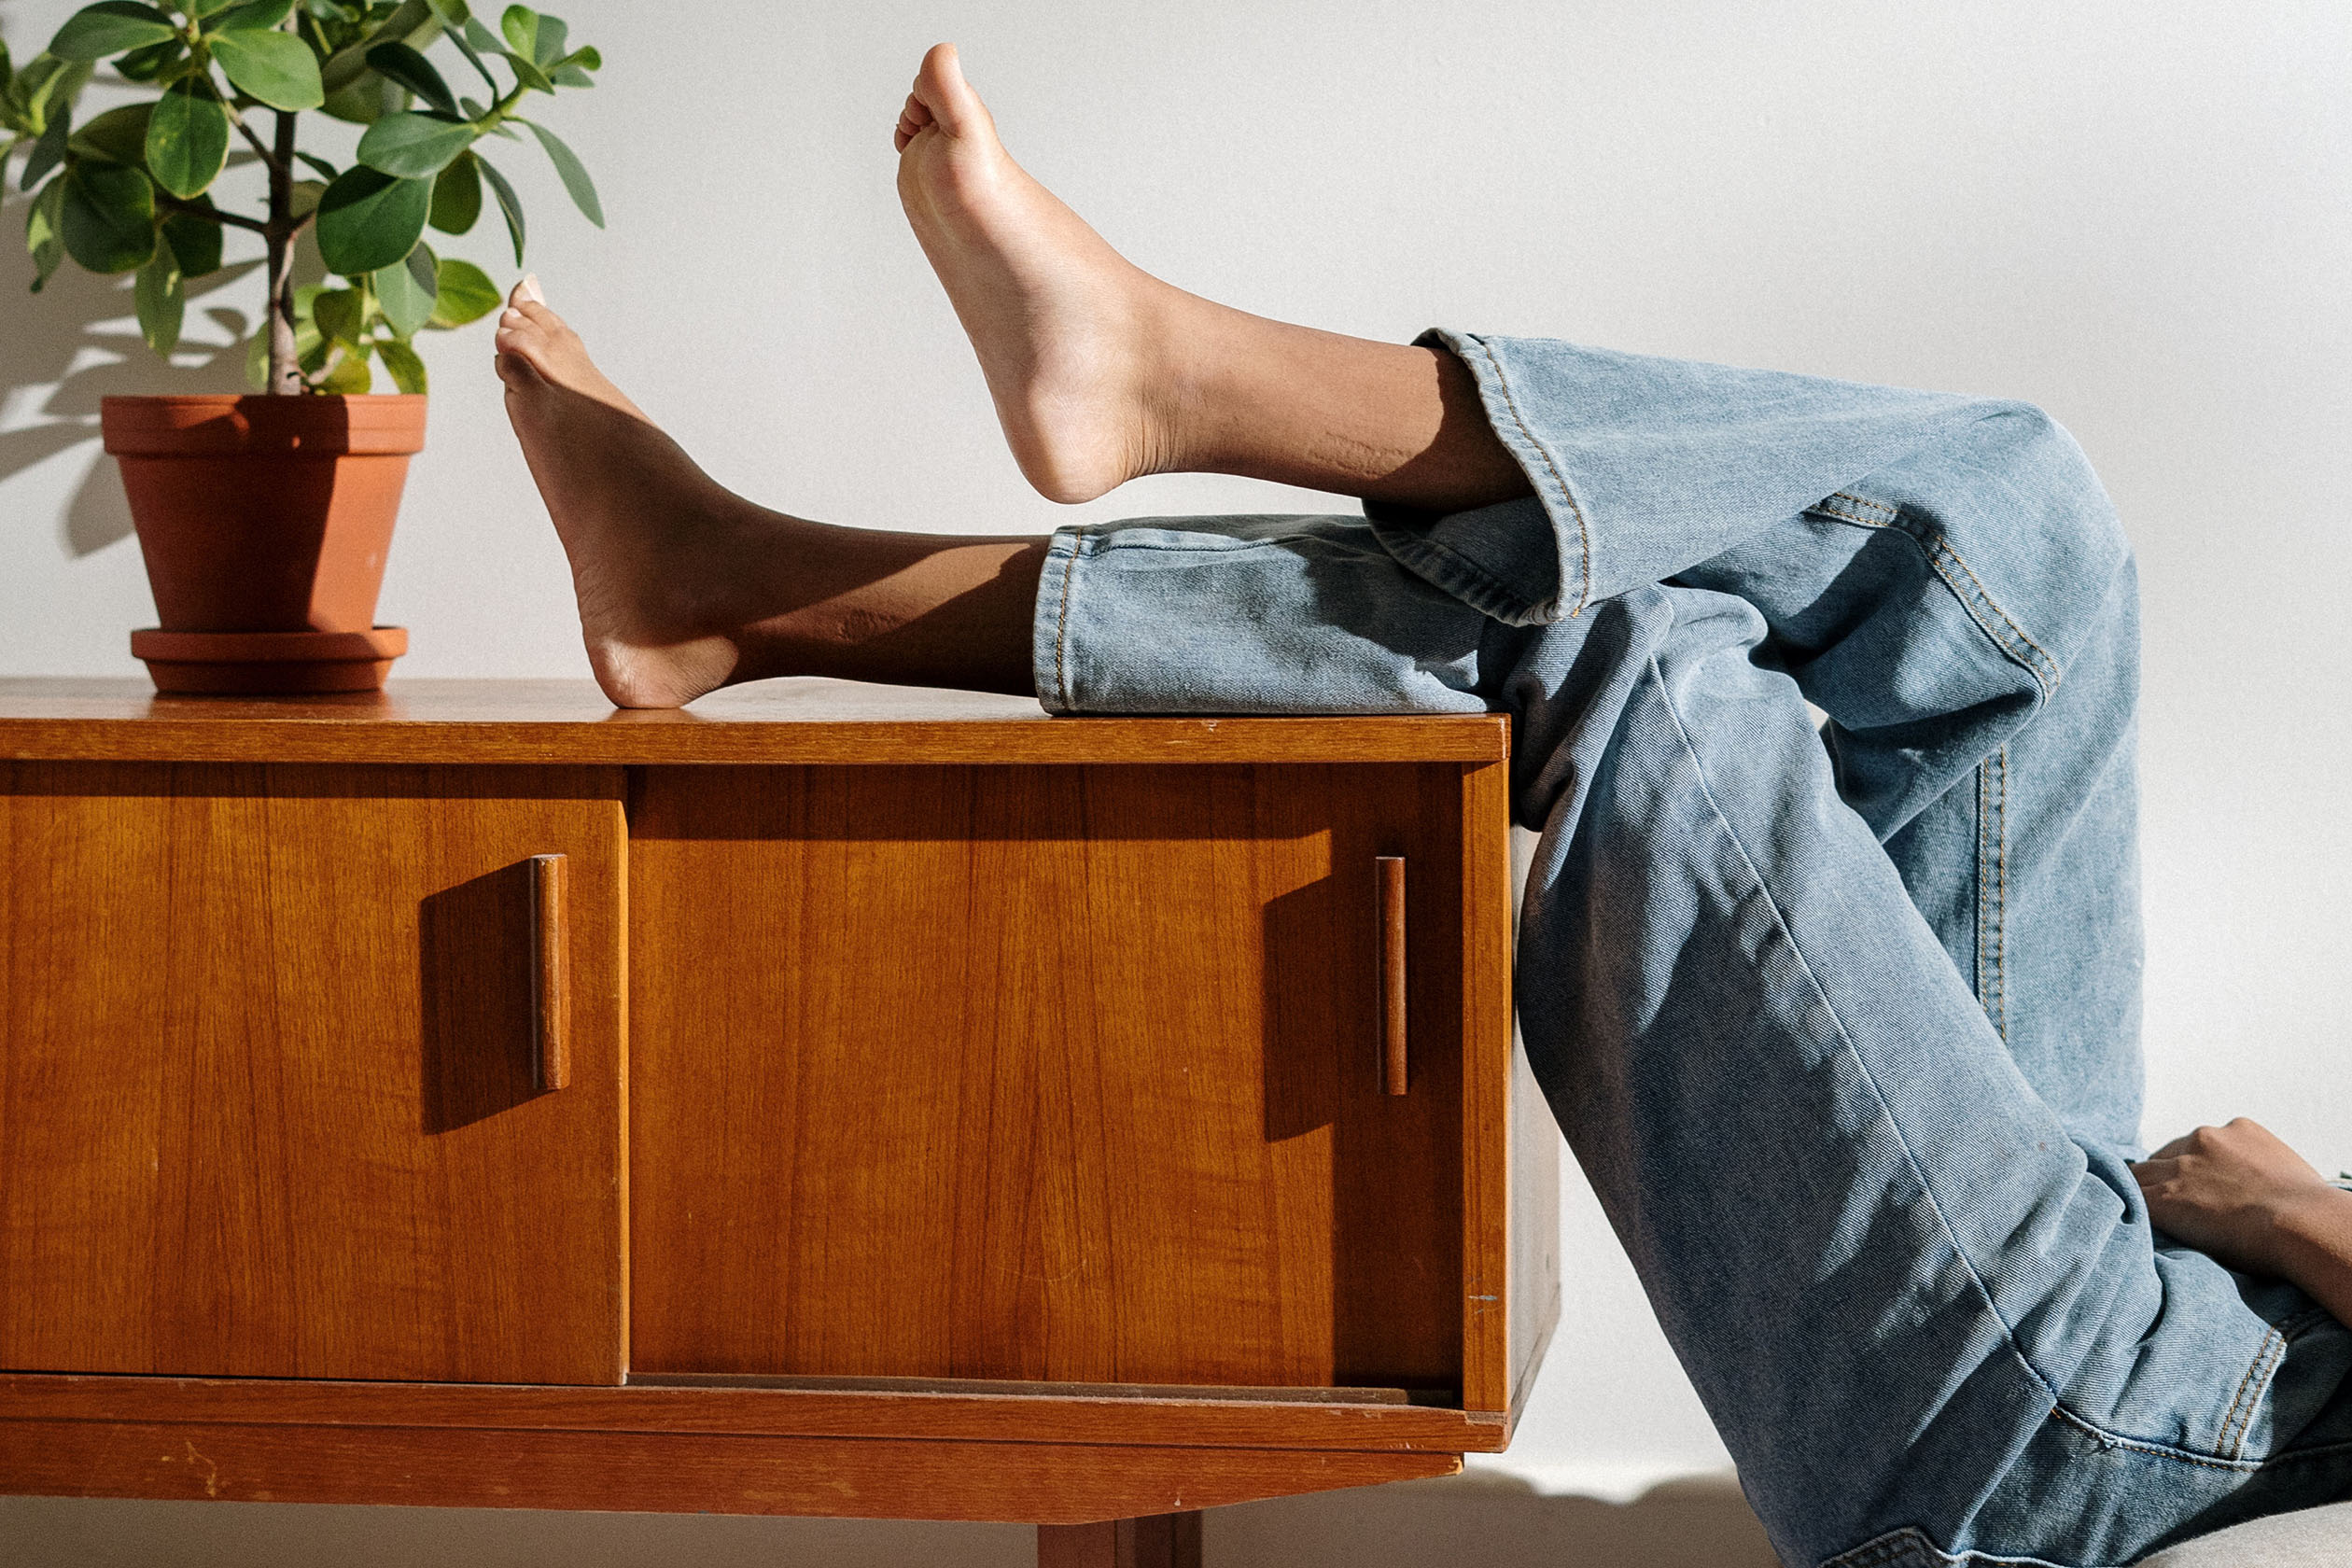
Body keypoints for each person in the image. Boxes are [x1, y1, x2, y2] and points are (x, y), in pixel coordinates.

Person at [486, 43, 2352, 1568]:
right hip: (2156, 1332)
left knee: (1629, 645)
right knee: (2009, 531)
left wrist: (2293, 1213)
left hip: (2117, 1437)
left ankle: (942, 485)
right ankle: (818, 546)